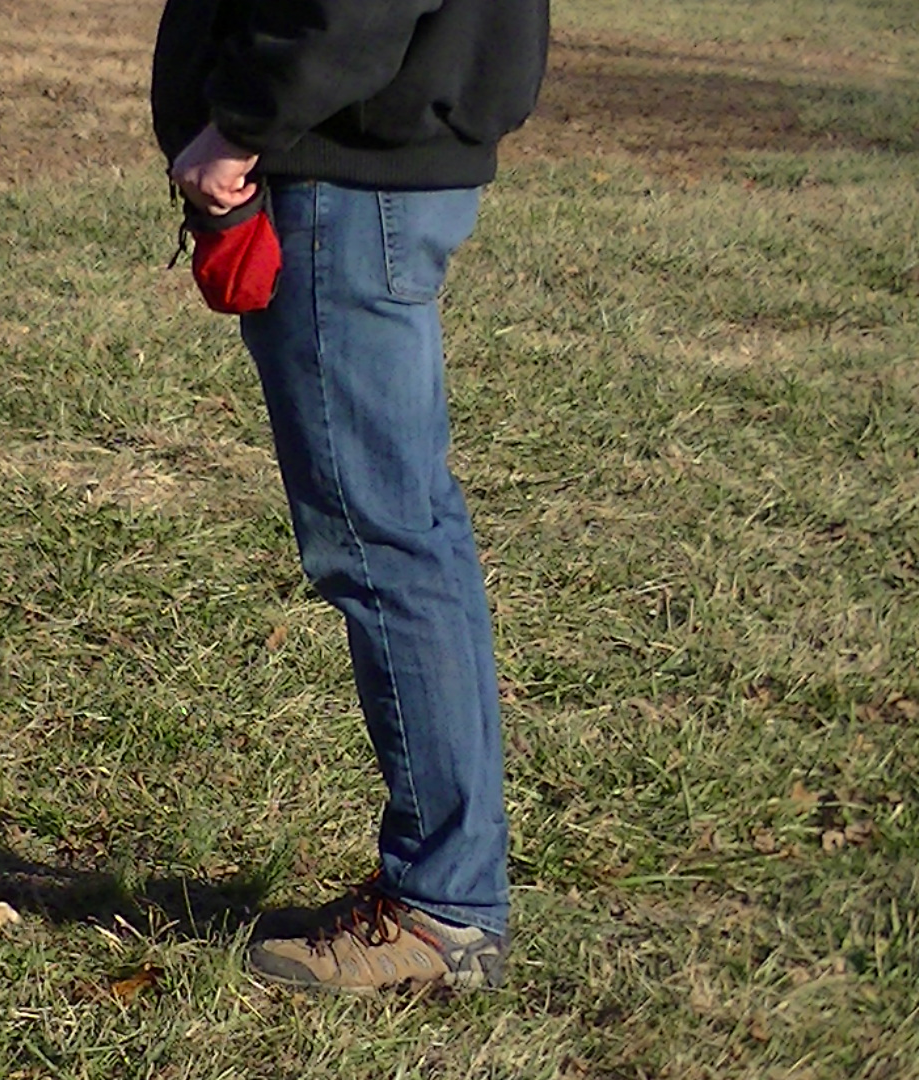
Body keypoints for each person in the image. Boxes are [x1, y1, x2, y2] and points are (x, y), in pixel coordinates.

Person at [151, 0, 549, 992]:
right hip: (368, 156)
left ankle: (443, 909)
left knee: (385, 545)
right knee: (410, 531)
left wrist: (243, 118)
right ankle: (450, 891)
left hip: (340, 168)